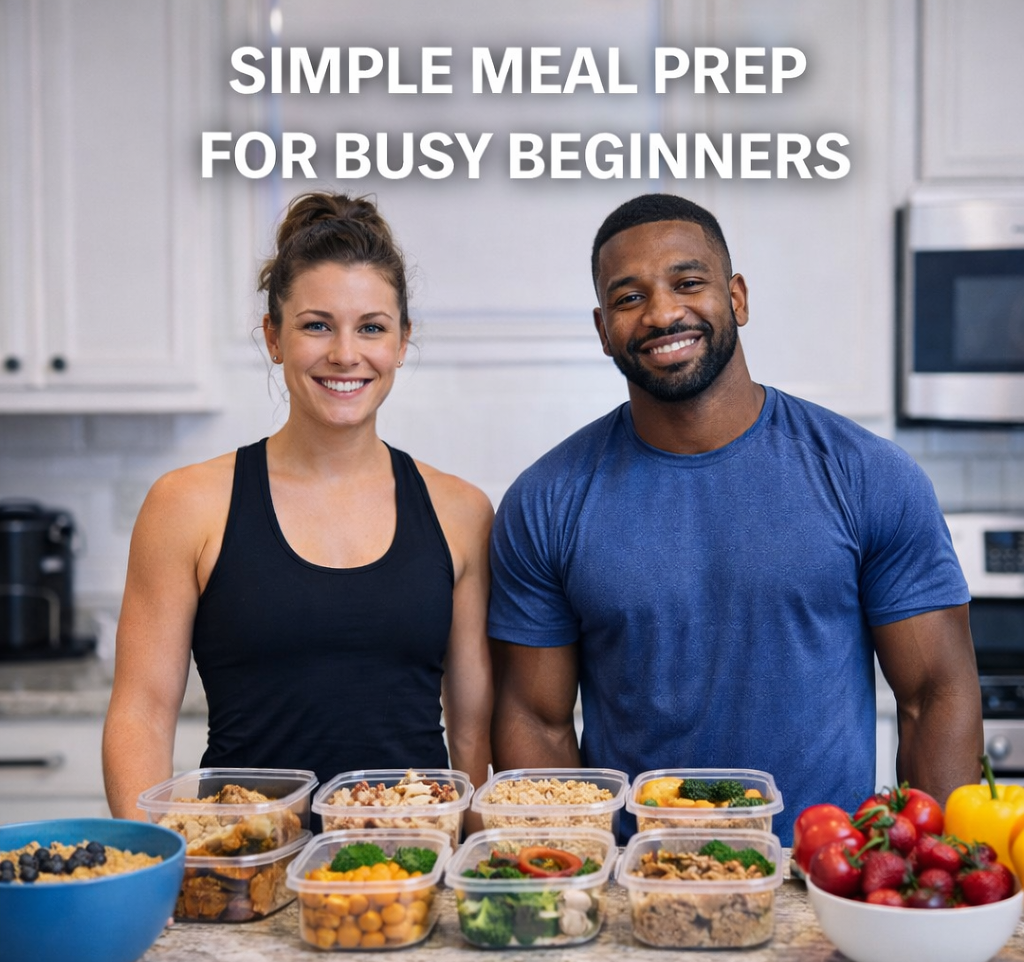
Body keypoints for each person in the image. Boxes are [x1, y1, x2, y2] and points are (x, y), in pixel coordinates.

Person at [487, 192, 983, 842]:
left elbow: (935, 695)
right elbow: (535, 719)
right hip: (643, 883)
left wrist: (930, 876)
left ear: (738, 298)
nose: (663, 313)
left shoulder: (866, 475)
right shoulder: (547, 501)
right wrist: (583, 878)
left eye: (687, 282)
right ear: (603, 327)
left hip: (819, 879)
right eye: (629, 297)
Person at [103, 192, 494, 822]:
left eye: (372, 326)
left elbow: (474, 734)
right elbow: (142, 712)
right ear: (274, 338)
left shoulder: (462, 511)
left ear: (401, 341)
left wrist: (468, 871)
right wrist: (157, 866)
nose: (345, 353)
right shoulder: (187, 504)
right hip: (245, 867)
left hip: (410, 868)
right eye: (317, 324)